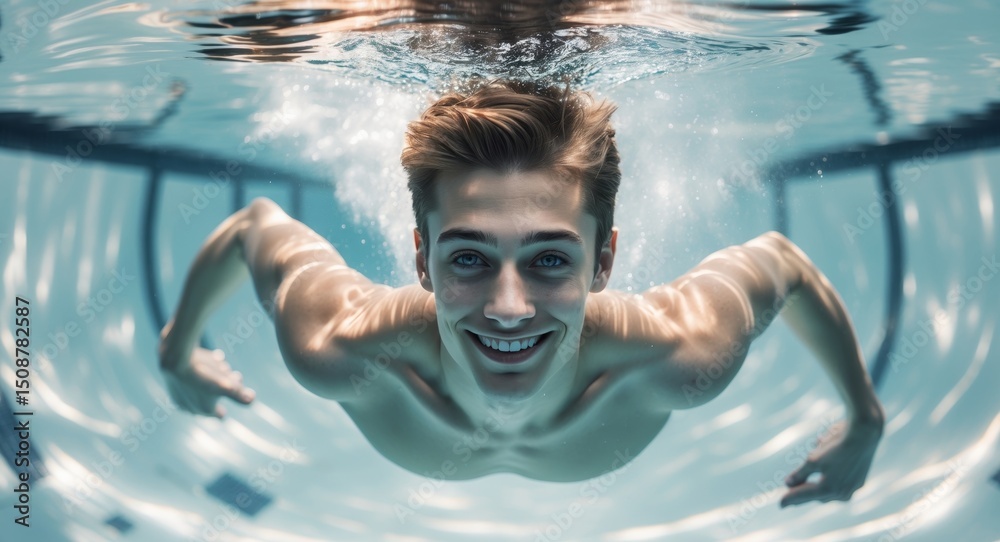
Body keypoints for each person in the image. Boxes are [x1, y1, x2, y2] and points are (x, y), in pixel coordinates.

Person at [158, 80, 884, 506]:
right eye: (470, 257)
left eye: (549, 259)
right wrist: (176, 349)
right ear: (421, 259)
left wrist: (865, 416)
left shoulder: (680, 353)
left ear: (603, 261)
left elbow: (781, 263)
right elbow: (254, 227)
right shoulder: (340, 346)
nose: (508, 308)